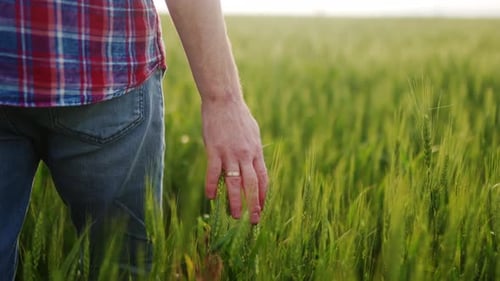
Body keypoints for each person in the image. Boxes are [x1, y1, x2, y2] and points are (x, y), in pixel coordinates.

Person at [0, 0, 268, 279]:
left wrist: (223, 99)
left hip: (109, 78)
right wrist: (223, 99)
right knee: (123, 269)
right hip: (108, 66)